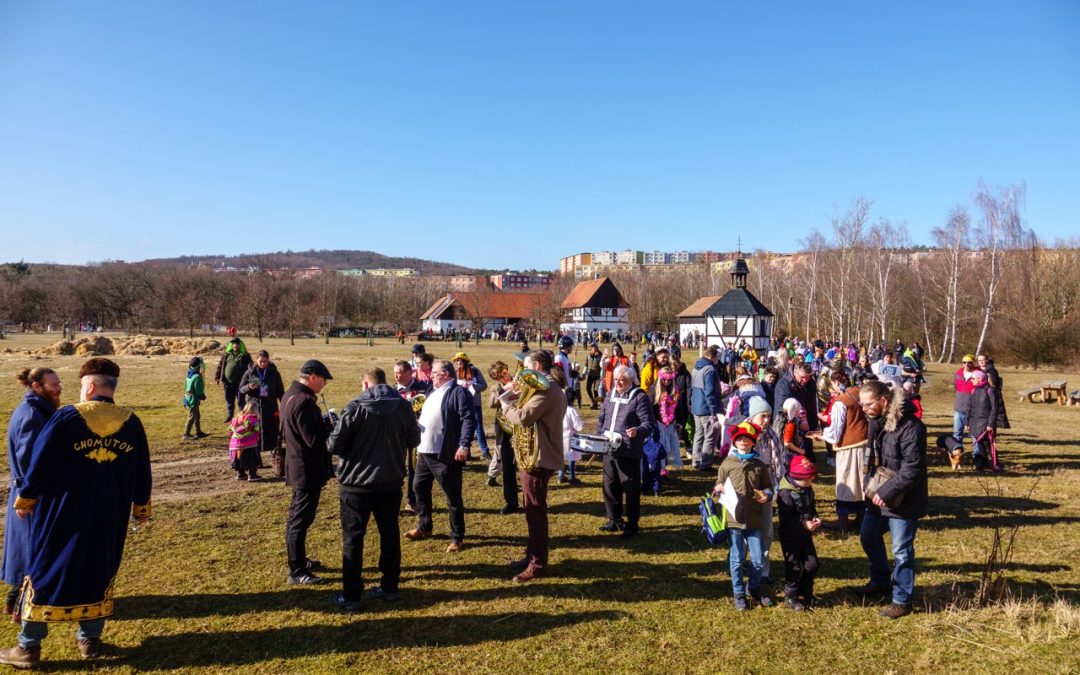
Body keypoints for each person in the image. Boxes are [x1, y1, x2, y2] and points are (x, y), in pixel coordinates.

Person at [0, 358, 151, 667]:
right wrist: (141, 506)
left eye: (82, 387)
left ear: (91, 386)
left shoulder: (67, 418)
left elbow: (39, 463)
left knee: (45, 571)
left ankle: (28, 646)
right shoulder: (132, 423)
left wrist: (26, 499)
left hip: (62, 514)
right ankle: (89, 640)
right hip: (110, 515)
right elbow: (142, 471)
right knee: (99, 570)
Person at [327, 367, 420, 611]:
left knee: (353, 539)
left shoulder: (355, 407)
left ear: (366, 385)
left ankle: (352, 595)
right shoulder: (403, 406)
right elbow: (414, 440)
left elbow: (334, 445)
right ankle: (390, 586)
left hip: (356, 485)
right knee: (389, 534)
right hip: (390, 481)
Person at [858, 379, 928, 619]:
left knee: (901, 550)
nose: (864, 408)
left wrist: (886, 492)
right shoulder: (876, 423)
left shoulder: (911, 428)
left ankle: (902, 600)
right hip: (876, 493)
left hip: (903, 499)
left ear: (884, 401)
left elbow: (913, 468)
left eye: (867, 404)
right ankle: (880, 580)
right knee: (868, 536)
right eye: (862, 404)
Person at [499, 350, 567, 581]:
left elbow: (525, 417)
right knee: (531, 508)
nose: (522, 373)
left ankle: (537, 564)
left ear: (536, 366)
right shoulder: (542, 387)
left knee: (535, 511)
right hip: (534, 454)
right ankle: (531, 555)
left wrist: (505, 403)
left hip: (539, 457)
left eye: (526, 368)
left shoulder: (546, 388)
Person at [2, 368, 62, 620]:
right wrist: (30, 497)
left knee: (27, 549)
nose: (59, 388)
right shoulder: (32, 416)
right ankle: (21, 607)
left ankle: (13, 601)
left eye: (59, 383)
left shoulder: (38, 410)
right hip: (30, 496)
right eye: (54, 384)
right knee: (31, 550)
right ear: (37, 386)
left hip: (30, 493)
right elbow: (31, 463)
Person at [406, 359, 475, 553]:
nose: (432, 376)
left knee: (452, 497)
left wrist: (463, 445)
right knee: (418, 487)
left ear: (446, 375)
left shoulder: (459, 392)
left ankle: (457, 537)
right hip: (424, 452)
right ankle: (425, 526)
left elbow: (468, 419)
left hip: (444, 454)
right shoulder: (432, 392)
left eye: (435, 373)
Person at [280, 360, 334, 585]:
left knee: (300, 517)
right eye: (323, 380)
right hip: (306, 469)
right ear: (312, 376)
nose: (324, 384)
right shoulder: (304, 402)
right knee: (300, 519)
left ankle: (299, 558)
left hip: (297, 465)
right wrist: (329, 425)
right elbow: (314, 439)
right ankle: (296, 569)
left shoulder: (289, 394)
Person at [714, 421, 773, 611]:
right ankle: (738, 593)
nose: (743, 442)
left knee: (757, 558)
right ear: (734, 442)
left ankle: (754, 587)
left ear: (753, 443)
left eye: (747, 439)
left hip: (754, 518)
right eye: (739, 439)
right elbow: (718, 487)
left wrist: (767, 495)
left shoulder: (759, 465)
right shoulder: (728, 463)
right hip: (734, 518)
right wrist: (717, 490)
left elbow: (769, 487)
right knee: (737, 557)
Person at [596, 364, 655, 539]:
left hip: (628, 449)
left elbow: (648, 423)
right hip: (608, 448)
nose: (618, 383)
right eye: (616, 380)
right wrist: (598, 437)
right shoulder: (610, 394)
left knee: (630, 487)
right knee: (610, 485)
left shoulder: (639, 397)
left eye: (622, 380)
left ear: (631, 379)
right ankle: (614, 519)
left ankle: (632, 523)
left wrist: (637, 431)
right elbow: (602, 418)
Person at [811, 370, 869, 531]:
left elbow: (835, 430)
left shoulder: (840, 402)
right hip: (864, 443)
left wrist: (822, 436)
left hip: (848, 447)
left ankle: (843, 520)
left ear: (836, 383)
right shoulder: (859, 393)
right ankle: (861, 516)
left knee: (847, 481)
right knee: (861, 480)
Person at [777, 454, 821, 611]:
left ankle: (806, 589)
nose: (809, 483)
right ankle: (791, 596)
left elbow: (812, 507)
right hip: (790, 536)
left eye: (811, 480)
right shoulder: (786, 494)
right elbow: (786, 519)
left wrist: (815, 517)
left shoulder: (807, 488)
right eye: (806, 480)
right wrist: (804, 524)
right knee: (794, 566)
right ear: (795, 478)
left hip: (805, 536)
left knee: (812, 564)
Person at [392, 360, 432, 512]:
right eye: (395, 372)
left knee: (414, 468)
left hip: (417, 433)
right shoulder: (392, 390)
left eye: (399, 373)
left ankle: (412, 500)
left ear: (410, 373)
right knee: (397, 467)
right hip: (398, 434)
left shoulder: (423, 387)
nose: (396, 376)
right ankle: (395, 499)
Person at [241, 350, 285, 476]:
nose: (263, 363)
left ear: (268, 360)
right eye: (260, 361)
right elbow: (241, 389)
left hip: (270, 407)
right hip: (254, 408)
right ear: (256, 360)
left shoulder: (274, 373)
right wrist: (249, 387)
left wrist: (285, 404)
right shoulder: (250, 372)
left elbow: (280, 391)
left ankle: (275, 458)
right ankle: (256, 460)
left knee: (273, 433)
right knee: (255, 433)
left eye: (265, 361)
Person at [690, 347, 724, 470]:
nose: (718, 360)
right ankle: (705, 463)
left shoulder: (695, 368)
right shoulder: (710, 370)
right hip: (706, 408)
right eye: (717, 357)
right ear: (713, 357)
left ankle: (696, 460)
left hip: (696, 407)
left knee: (698, 434)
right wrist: (714, 410)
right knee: (710, 435)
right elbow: (709, 392)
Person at [452, 352, 490, 460]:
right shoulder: (454, 373)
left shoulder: (475, 371)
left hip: (475, 404)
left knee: (478, 428)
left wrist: (472, 385)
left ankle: (484, 451)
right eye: (455, 361)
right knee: (462, 428)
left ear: (464, 362)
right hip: (460, 405)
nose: (457, 363)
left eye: (459, 361)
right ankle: (466, 451)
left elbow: (484, 385)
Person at [965, 370, 1000, 471]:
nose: (971, 380)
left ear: (979, 379)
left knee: (988, 444)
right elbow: (969, 407)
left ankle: (996, 465)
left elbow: (994, 408)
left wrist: (990, 423)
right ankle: (982, 464)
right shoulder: (974, 390)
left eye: (973, 378)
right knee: (979, 443)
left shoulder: (990, 390)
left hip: (985, 422)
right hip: (974, 422)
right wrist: (967, 422)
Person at [214, 337, 252, 422]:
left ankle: (242, 416)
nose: (235, 345)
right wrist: (217, 377)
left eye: (237, 344)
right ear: (231, 345)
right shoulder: (226, 354)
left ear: (240, 345)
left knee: (241, 401)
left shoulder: (245, 356)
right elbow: (220, 366)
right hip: (228, 383)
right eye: (234, 344)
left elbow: (251, 368)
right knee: (229, 400)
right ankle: (230, 416)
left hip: (240, 384)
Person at [229, 399, 263, 481]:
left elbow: (230, 429)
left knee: (237, 459)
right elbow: (257, 429)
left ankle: (241, 474)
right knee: (251, 458)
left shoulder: (237, 418)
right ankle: (252, 475)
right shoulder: (253, 418)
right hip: (248, 442)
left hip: (234, 442)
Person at [952, 354, 977, 445]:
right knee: (957, 433)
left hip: (973, 410)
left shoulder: (978, 374)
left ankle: (977, 456)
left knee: (975, 435)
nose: (967, 364)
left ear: (973, 363)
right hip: (959, 408)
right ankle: (958, 453)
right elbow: (955, 386)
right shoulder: (958, 373)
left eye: (969, 362)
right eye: (964, 362)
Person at [182, 356, 209, 440]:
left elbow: (186, 386)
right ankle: (186, 434)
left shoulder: (189, 374)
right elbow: (199, 390)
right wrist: (202, 396)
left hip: (188, 397)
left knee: (197, 416)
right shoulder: (197, 377)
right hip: (194, 399)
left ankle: (198, 432)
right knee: (192, 416)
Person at [584, 343, 603, 409]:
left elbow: (602, 365)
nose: (593, 349)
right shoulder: (588, 355)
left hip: (598, 376)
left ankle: (595, 404)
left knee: (596, 390)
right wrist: (584, 373)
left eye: (594, 347)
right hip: (590, 375)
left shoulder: (600, 355)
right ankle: (593, 400)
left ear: (597, 348)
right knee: (587, 388)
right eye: (592, 347)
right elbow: (586, 365)